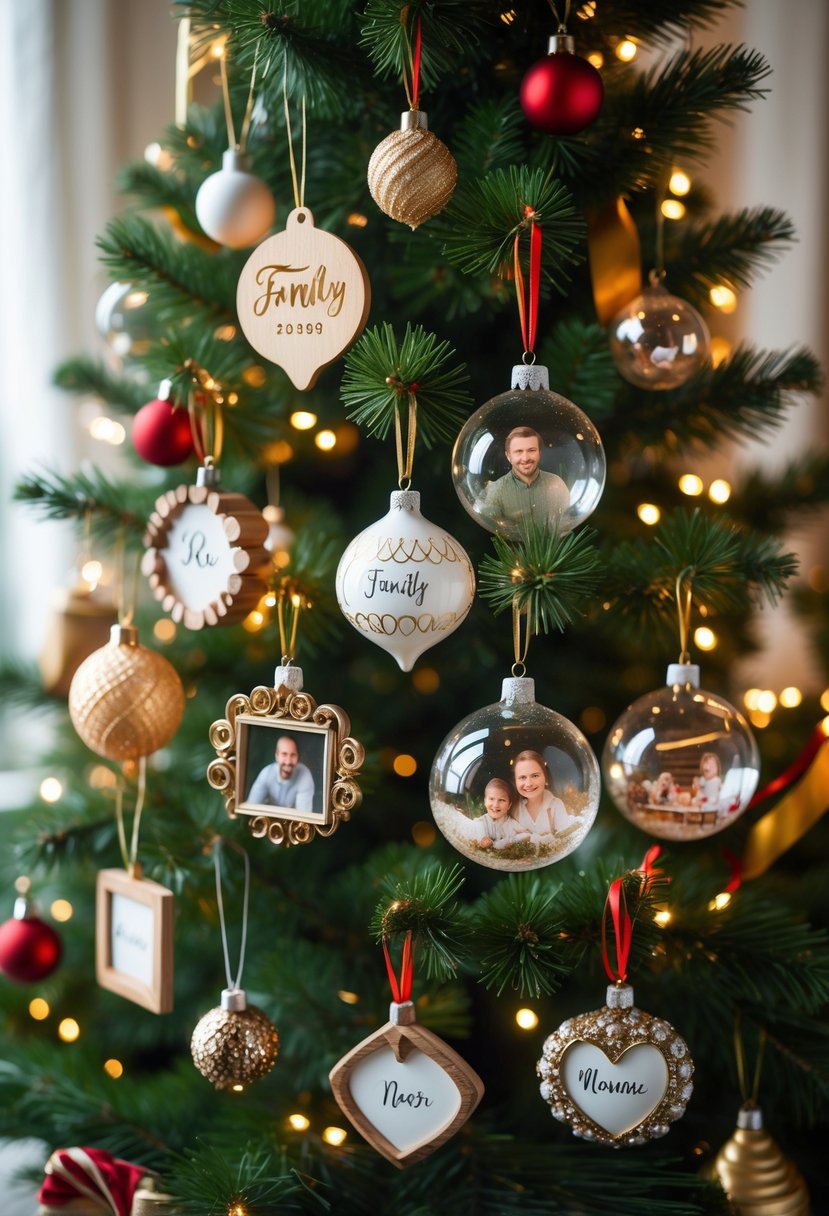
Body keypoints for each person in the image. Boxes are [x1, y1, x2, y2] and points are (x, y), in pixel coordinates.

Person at [482, 426, 570, 527]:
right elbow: (493, 529)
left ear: (539, 453)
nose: (525, 458)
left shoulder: (557, 484)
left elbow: (568, 523)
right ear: (508, 456)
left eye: (531, 450)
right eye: (519, 451)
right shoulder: (496, 491)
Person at [511, 749, 579, 840]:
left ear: (546, 778)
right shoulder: (514, 809)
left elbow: (565, 838)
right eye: (522, 777)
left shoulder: (556, 805)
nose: (528, 783)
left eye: (535, 776)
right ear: (515, 781)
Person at [247, 734, 315, 812]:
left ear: (297, 757)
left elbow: (304, 816)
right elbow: (251, 807)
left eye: (293, 755)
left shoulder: (304, 775)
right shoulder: (266, 774)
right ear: (277, 755)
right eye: (284, 754)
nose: (288, 761)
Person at [471, 778, 530, 850]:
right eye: (491, 799)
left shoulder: (511, 823)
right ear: (485, 801)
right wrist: (483, 840)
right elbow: (479, 838)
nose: (495, 805)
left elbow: (527, 835)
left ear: (509, 805)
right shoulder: (481, 822)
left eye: (501, 800)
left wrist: (509, 841)